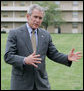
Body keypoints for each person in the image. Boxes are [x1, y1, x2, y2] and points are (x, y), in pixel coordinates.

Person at [4, 4, 82, 90]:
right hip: (21, 84)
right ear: (28, 16)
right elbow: (8, 56)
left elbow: (53, 54)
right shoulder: (15, 33)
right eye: (35, 17)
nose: (37, 20)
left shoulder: (45, 35)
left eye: (40, 18)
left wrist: (67, 57)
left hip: (41, 84)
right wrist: (25, 60)